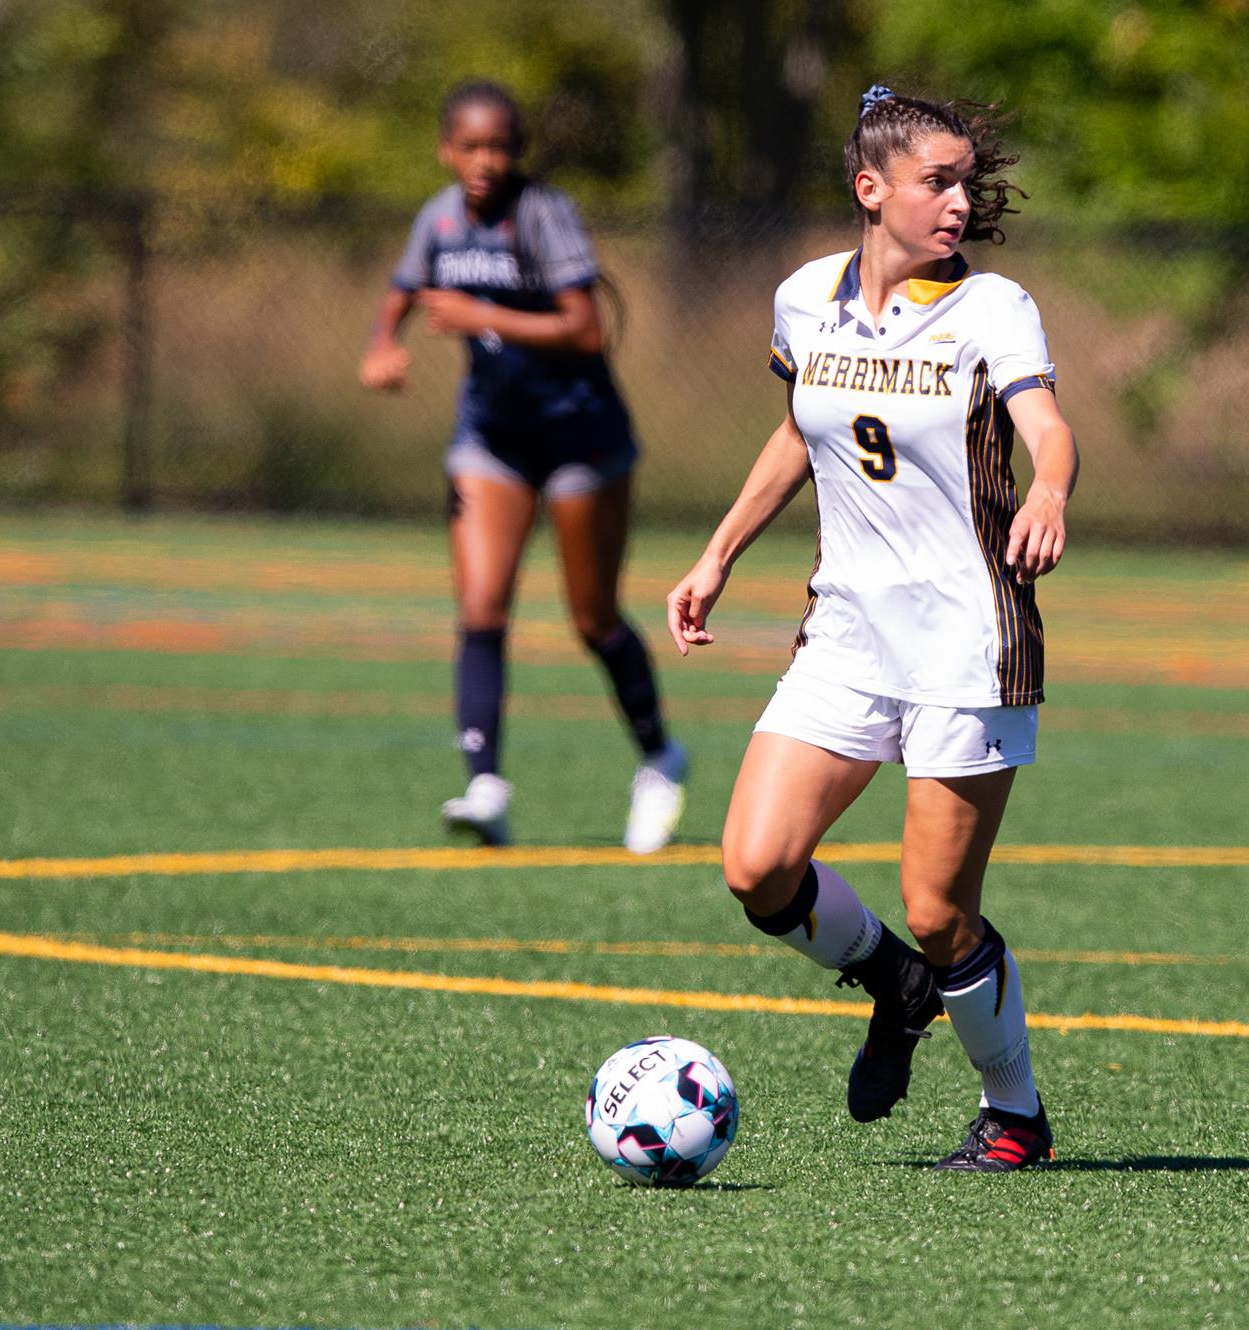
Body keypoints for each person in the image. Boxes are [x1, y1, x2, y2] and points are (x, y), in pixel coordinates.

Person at [666, 85, 1078, 1172]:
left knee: (941, 912)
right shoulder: (805, 299)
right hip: (846, 633)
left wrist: (1048, 492)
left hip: (964, 643)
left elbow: (1048, 429)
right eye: (935, 183)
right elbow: (799, 435)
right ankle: (891, 983)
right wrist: (716, 554)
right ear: (870, 189)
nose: (957, 203)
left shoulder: (992, 310)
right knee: (757, 867)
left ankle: (1014, 1112)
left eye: (963, 183)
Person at [359, 80, 687, 853]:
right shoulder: (437, 217)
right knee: (481, 605)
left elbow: (586, 328)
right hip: (493, 439)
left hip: (581, 439)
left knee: (592, 616)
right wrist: (382, 343)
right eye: (470, 146)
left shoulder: (543, 214)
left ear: (517, 151)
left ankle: (659, 756)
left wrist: (482, 316)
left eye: (500, 145)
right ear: (447, 149)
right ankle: (485, 786)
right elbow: (401, 291)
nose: (485, 160)